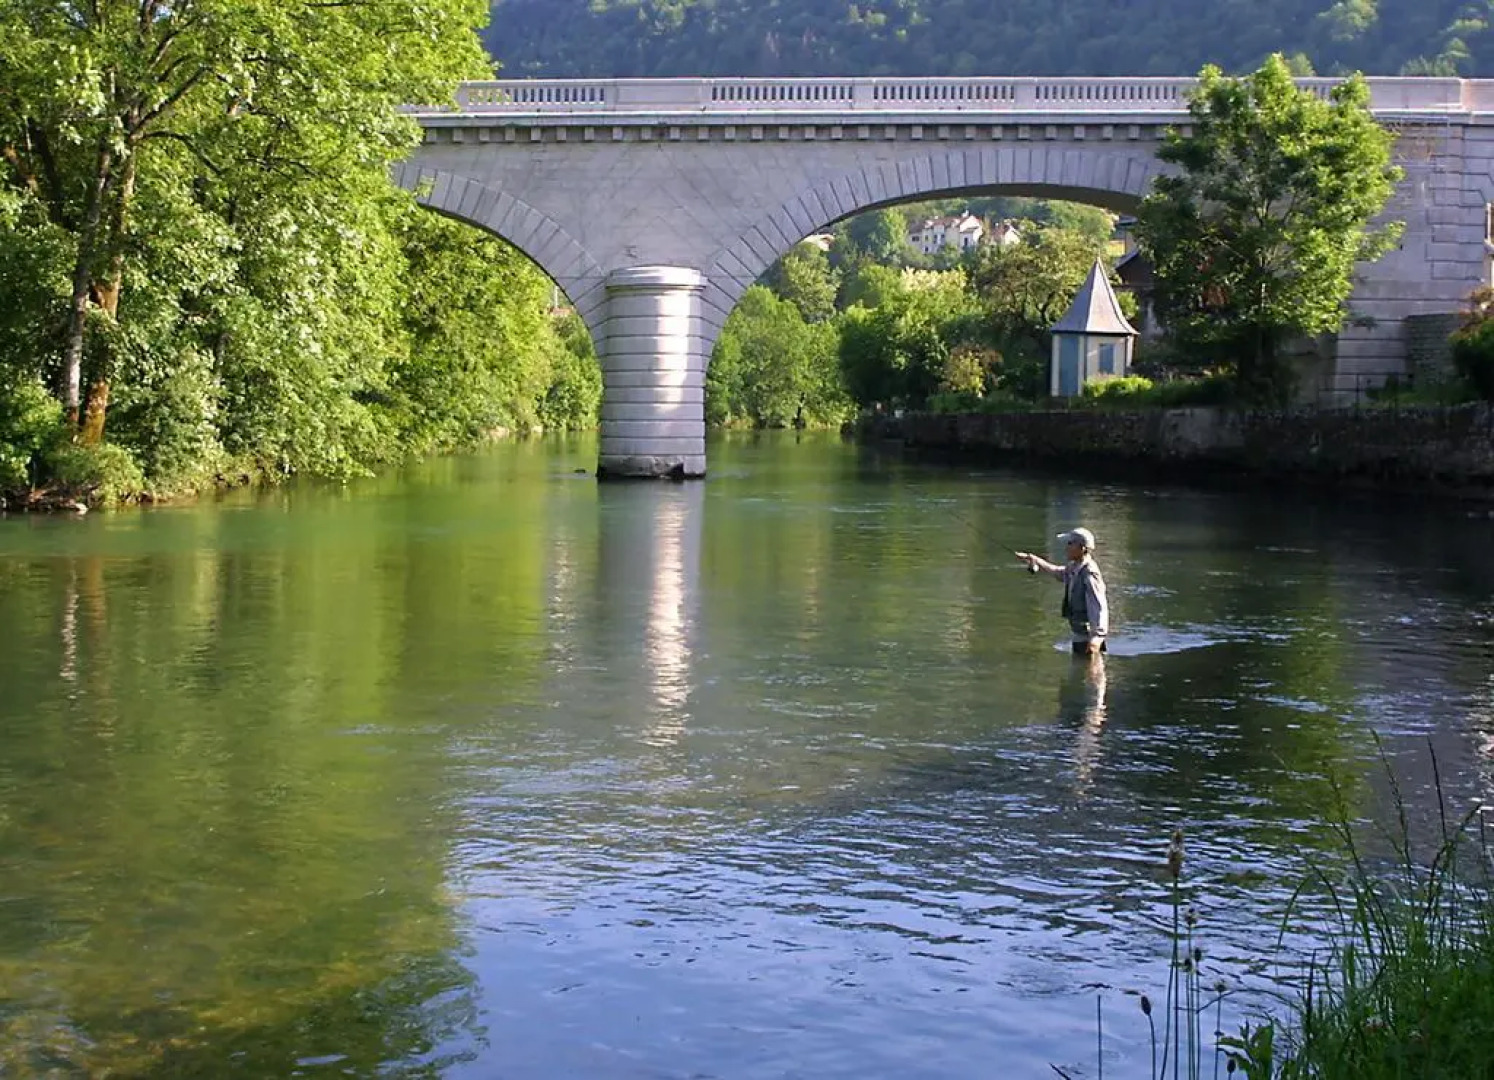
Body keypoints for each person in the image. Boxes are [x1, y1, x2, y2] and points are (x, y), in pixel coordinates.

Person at [1015, 527, 1109, 655]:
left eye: (1070, 543)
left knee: (1092, 672)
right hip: (1079, 636)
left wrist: (1096, 638)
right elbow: (1059, 573)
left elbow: (1098, 606)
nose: (1066, 547)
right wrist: (1034, 559)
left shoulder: (1089, 573)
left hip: (1089, 641)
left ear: (1082, 548)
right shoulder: (1075, 566)